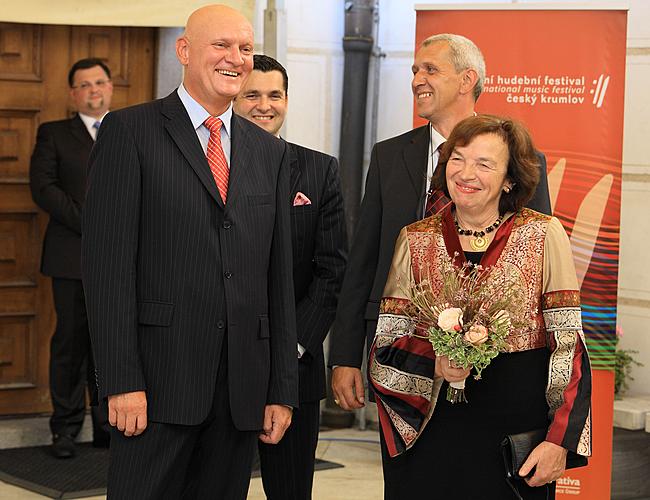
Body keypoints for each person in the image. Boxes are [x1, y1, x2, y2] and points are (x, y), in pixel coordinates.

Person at [81, 5, 297, 499]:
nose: (235, 58)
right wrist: (120, 381)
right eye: (221, 45)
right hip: (155, 388)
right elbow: (108, 270)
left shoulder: (270, 153)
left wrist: (281, 388)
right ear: (184, 50)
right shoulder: (130, 132)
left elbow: (276, 280)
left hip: (241, 393)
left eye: (244, 48)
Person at [368, 114, 592, 499]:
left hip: (514, 444)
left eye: (484, 164)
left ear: (509, 179)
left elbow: (568, 345)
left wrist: (560, 441)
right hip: (430, 438)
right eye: (458, 159)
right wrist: (434, 364)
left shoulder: (542, 234)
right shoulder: (415, 239)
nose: (466, 173)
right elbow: (386, 347)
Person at [329, 33, 552, 411]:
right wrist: (344, 355)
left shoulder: (521, 158)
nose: (417, 79)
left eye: (430, 69)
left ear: (467, 80)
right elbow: (363, 260)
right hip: (400, 355)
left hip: (492, 359)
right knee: (408, 469)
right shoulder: (389, 156)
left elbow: (535, 264)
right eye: (415, 70)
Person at [233, 54, 347, 499]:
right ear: (234, 99)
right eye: (252, 95)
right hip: (220, 365)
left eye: (274, 95)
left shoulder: (319, 170)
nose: (265, 105)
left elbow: (332, 267)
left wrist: (291, 344)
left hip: (296, 364)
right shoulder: (207, 167)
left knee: (290, 489)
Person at [29, 58, 113, 458]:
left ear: (111, 87)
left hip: (121, 261)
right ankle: (63, 429)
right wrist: (90, 223)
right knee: (71, 343)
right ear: (72, 94)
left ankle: (106, 425)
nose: (94, 90)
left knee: (110, 343)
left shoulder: (127, 129)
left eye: (100, 82)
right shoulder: (54, 134)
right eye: (85, 85)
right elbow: (43, 188)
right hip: (70, 257)